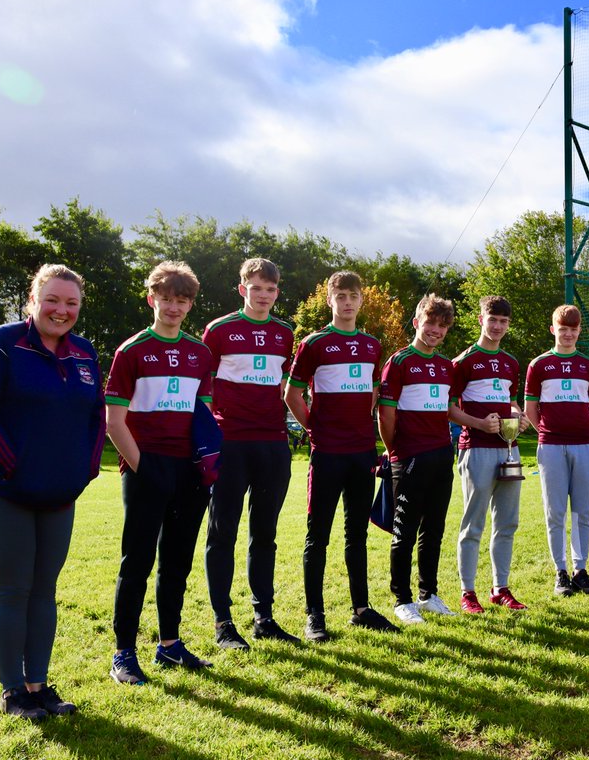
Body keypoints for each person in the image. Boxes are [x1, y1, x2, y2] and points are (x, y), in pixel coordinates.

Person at [0, 264, 105, 719]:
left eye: (71, 303)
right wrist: (12, 467)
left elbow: (95, 418)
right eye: (53, 300)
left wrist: (83, 472)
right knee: (13, 590)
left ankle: (38, 686)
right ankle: (12, 692)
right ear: (33, 300)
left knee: (44, 590)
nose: (61, 311)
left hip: (58, 494)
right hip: (0, 490)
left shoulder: (83, 353)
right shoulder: (1, 344)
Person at [105, 261, 219, 684]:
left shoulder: (200, 352)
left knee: (177, 560)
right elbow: (113, 422)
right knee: (136, 561)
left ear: (190, 304)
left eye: (182, 300)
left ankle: (169, 645)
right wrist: (143, 468)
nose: (174, 307)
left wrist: (206, 461)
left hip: (188, 470)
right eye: (167, 298)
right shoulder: (131, 350)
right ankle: (123, 653)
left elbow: (202, 414)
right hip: (144, 465)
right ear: (152, 299)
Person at [285, 270, 399, 640]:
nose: (347, 302)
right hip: (327, 453)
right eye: (341, 296)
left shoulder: (371, 345)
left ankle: (361, 609)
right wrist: (315, 429)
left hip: (362, 452)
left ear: (361, 300)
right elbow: (292, 395)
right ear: (330, 300)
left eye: (353, 296)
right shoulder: (314, 343)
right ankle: (314, 616)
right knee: (318, 535)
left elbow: (372, 392)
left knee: (357, 535)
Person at [202, 258, 299, 649]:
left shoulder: (284, 333)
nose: (264, 296)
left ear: (277, 292)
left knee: (266, 533)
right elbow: (202, 386)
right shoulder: (219, 330)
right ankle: (223, 622)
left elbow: (284, 384)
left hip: (273, 443)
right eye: (256, 288)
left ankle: (264, 616)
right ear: (243, 289)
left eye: (271, 290)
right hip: (230, 442)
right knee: (222, 532)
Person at [378, 294, 465, 624]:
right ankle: (402, 600)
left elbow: (448, 409)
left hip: (442, 456)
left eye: (443, 326)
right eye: (430, 323)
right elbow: (386, 415)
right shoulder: (399, 361)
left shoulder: (446, 367)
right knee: (405, 531)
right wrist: (393, 451)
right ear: (417, 323)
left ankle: (428, 594)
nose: (436, 330)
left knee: (435, 529)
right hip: (409, 458)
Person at [450, 296, 531, 613]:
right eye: (492, 319)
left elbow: (509, 400)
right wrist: (479, 424)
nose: (497, 326)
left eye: (504, 322)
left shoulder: (511, 362)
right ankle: (467, 592)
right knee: (473, 525)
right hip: (477, 449)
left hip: (508, 450)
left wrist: (518, 414)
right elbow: (449, 408)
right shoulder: (464, 361)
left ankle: (500, 588)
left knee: (507, 523)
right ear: (481, 320)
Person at [524, 304, 589, 596]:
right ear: (553, 329)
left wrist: (578, 428)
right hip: (551, 446)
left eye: (573, 329)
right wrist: (549, 430)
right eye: (562, 328)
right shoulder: (539, 365)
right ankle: (560, 572)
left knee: (583, 511)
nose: (567, 334)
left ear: (578, 331)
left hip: (585, 445)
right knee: (555, 512)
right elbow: (531, 410)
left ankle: (580, 570)